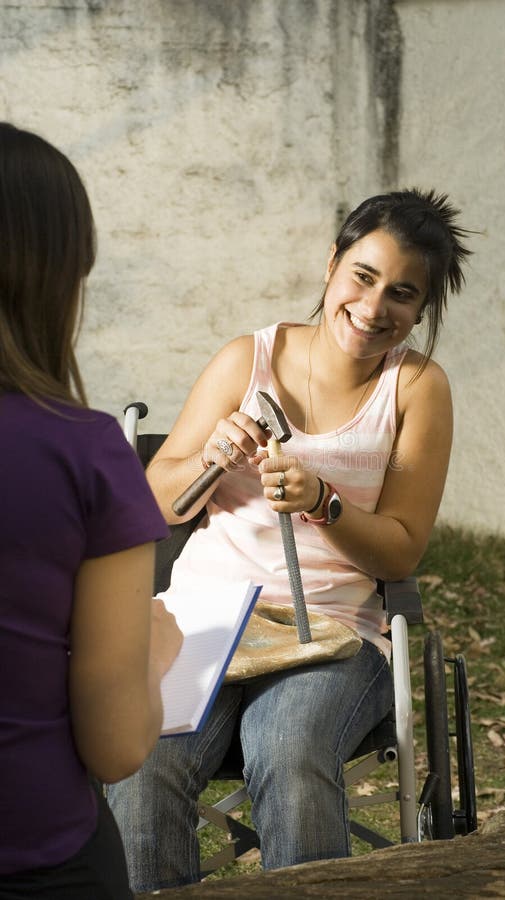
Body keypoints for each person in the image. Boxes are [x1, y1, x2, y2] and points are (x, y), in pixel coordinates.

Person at [108, 188, 472, 891]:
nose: (372, 309)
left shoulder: (416, 387)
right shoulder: (247, 358)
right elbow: (152, 501)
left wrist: (323, 501)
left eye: (401, 294)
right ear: (333, 264)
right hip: (206, 621)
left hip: (333, 631)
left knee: (290, 745)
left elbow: (400, 550)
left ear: (420, 311)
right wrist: (211, 458)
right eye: (362, 277)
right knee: (145, 754)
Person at [0, 122, 183, 899]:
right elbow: (114, 748)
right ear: (59, 274)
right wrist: (156, 649)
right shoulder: (84, 451)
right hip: (37, 857)